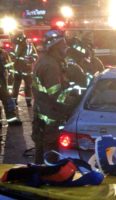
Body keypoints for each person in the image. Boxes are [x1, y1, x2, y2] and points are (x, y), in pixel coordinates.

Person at [32, 30, 82, 164]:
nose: (65, 47)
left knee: (41, 149)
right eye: (62, 44)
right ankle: (47, 176)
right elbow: (56, 95)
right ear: (55, 47)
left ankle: (39, 174)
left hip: (43, 113)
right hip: (50, 117)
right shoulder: (50, 66)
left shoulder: (48, 61)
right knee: (50, 152)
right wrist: (76, 101)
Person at [10, 32, 38, 106]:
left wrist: (30, 60)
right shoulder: (16, 46)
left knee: (28, 86)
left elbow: (35, 56)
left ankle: (28, 102)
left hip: (26, 70)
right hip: (17, 70)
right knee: (16, 86)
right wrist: (14, 59)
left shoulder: (29, 46)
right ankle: (14, 101)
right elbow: (11, 55)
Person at [0, 43, 22, 127]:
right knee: (8, 101)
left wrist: (9, 82)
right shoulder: (3, 54)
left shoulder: (3, 54)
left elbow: (9, 67)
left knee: (8, 102)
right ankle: (11, 120)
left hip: (3, 84)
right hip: (2, 84)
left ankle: (12, 120)